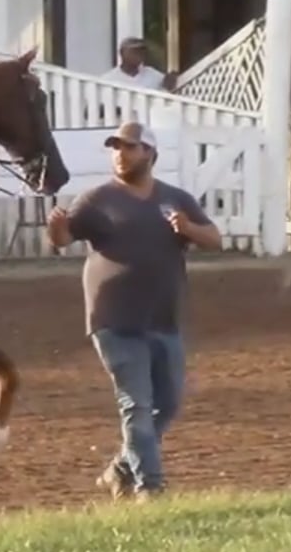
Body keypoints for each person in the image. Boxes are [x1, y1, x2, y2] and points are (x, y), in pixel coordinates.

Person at [45, 120, 222, 501]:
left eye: (128, 147)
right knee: (136, 404)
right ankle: (150, 487)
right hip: (114, 318)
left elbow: (214, 239)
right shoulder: (97, 200)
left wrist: (188, 227)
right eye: (115, 147)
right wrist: (56, 228)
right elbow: (63, 239)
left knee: (169, 403)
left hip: (163, 316)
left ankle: (121, 467)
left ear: (149, 154)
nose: (119, 154)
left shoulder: (176, 199)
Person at [101, 37, 175, 91]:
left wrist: (171, 78)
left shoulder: (151, 73)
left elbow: (167, 84)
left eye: (142, 52)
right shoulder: (109, 79)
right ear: (122, 53)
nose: (139, 55)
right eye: (134, 51)